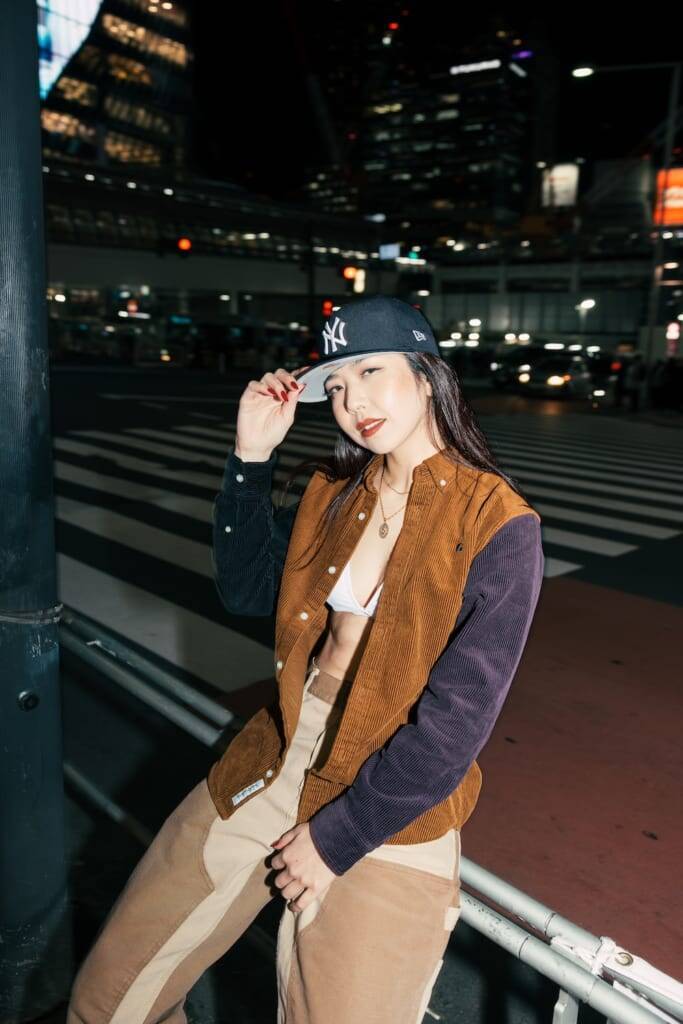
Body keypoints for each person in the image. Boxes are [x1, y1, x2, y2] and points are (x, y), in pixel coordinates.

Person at [67, 295, 544, 1024]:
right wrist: (250, 458)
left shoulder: (497, 523)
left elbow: (458, 721)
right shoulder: (336, 494)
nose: (354, 403)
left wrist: (338, 836)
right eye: (338, 386)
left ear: (427, 377)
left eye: (371, 372)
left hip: (394, 789)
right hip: (280, 746)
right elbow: (246, 590)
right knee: (111, 994)